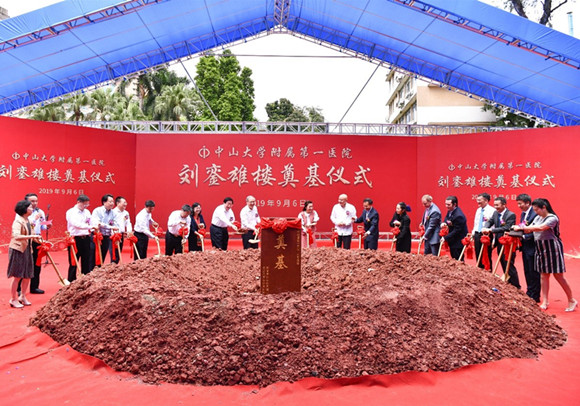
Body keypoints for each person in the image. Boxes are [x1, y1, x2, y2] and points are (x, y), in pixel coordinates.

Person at [513, 198, 577, 312]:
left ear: (544, 207)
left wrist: (522, 228)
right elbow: (530, 229)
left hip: (553, 248)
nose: (535, 212)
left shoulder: (552, 218)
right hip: (540, 248)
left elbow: (540, 228)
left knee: (558, 275)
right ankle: (545, 301)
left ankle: (571, 300)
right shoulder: (537, 217)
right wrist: (517, 230)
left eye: (536, 209)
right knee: (543, 275)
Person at [7, 200, 41, 308]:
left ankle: (22, 296)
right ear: (24, 209)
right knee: (17, 276)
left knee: (27, 275)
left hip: (27, 249)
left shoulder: (28, 220)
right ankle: (13, 299)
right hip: (18, 250)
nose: (32, 209)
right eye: (30, 207)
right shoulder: (18, 221)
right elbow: (16, 236)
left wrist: (41, 241)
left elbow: (33, 234)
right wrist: (32, 237)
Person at [482, 197, 520, 289]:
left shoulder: (510, 215)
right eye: (494, 205)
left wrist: (491, 230)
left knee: (509, 264)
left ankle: (516, 286)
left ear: (504, 205)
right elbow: (490, 221)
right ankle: (509, 284)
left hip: (508, 244)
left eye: (497, 205)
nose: (495, 207)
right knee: (503, 263)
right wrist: (485, 227)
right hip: (499, 242)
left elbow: (506, 228)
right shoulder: (495, 213)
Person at [516, 193, 540, 302]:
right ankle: (529, 292)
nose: (519, 206)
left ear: (527, 203)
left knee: (533, 271)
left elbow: (535, 230)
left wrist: (524, 236)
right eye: (518, 204)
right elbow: (523, 227)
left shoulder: (535, 214)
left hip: (533, 246)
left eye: (520, 204)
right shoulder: (523, 214)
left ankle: (535, 295)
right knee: (527, 270)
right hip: (525, 246)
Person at [24, 193, 50, 294]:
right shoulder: (22, 212)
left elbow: (43, 226)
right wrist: (34, 218)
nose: (35, 203)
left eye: (36, 201)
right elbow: (26, 225)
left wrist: (47, 225)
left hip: (37, 239)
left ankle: (34, 287)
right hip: (26, 239)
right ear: (26, 202)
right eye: (32, 201)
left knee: (37, 262)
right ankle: (19, 288)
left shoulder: (40, 212)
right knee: (25, 263)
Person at [66, 195, 92, 282]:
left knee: (86, 260)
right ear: (78, 202)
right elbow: (76, 224)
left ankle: (85, 280)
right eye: (84, 204)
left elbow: (91, 222)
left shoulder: (87, 212)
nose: (86, 206)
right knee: (74, 260)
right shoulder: (71, 212)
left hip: (86, 238)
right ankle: (71, 281)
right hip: (75, 239)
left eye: (87, 204)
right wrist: (90, 227)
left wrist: (95, 226)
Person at [90, 194, 118, 268]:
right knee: (93, 256)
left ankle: (98, 271)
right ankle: (91, 272)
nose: (112, 203)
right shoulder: (97, 211)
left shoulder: (114, 213)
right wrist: (111, 227)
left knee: (102, 255)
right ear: (104, 202)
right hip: (97, 237)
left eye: (113, 202)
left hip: (106, 237)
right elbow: (98, 223)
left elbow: (115, 224)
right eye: (110, 201)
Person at [472, 193, 495, 269]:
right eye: (477, 200)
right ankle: (480, 272)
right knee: (478, 254)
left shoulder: (492, 210)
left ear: (486, 201)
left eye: (479, 200)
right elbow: (476, 223)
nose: (478, 202)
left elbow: (494, 225)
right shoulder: (478, 210)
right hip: (477, 234)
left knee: (486, 255)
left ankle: (488, 272)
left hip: (486, 235)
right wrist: (473, 233)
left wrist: (493, 238)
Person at [442, 195, 468, 260]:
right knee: (453, 257)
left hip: (458, 241)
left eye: (448, 205)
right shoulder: (450, 210)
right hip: (453, 240)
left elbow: (456, 230)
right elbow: (447, 218)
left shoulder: (459, 215)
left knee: (458, 259)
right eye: (446, 204)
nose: (446, 206)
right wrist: (444, 223)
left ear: (454, 204)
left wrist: (445, 238)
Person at [111, 196, 132, 264]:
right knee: (114, 254)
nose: (125, 204)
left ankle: (116, 266)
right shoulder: (112, 212)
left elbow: (128, 223)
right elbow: (110, 223)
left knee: (119, 253)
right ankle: (112, 267)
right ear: (118, 203)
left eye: (126, 202)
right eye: (124, 202)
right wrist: (114, 233)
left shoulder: (126, 213)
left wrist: (129, 231)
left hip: (121, 235)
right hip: (114, 235)